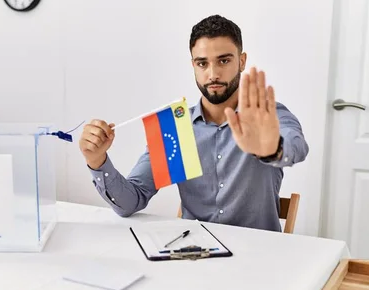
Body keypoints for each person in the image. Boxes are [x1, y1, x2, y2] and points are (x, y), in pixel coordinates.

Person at [78, 15, 309, 232]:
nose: (213, 74)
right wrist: (97, 161)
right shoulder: (177, 128)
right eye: (202, 63)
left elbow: (297, 147)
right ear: (193, 66)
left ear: (242, 61)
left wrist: (271, 149)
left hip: (259, 257)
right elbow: (130, 202)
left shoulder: (266, 116)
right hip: (193, 257)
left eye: (224, 60)